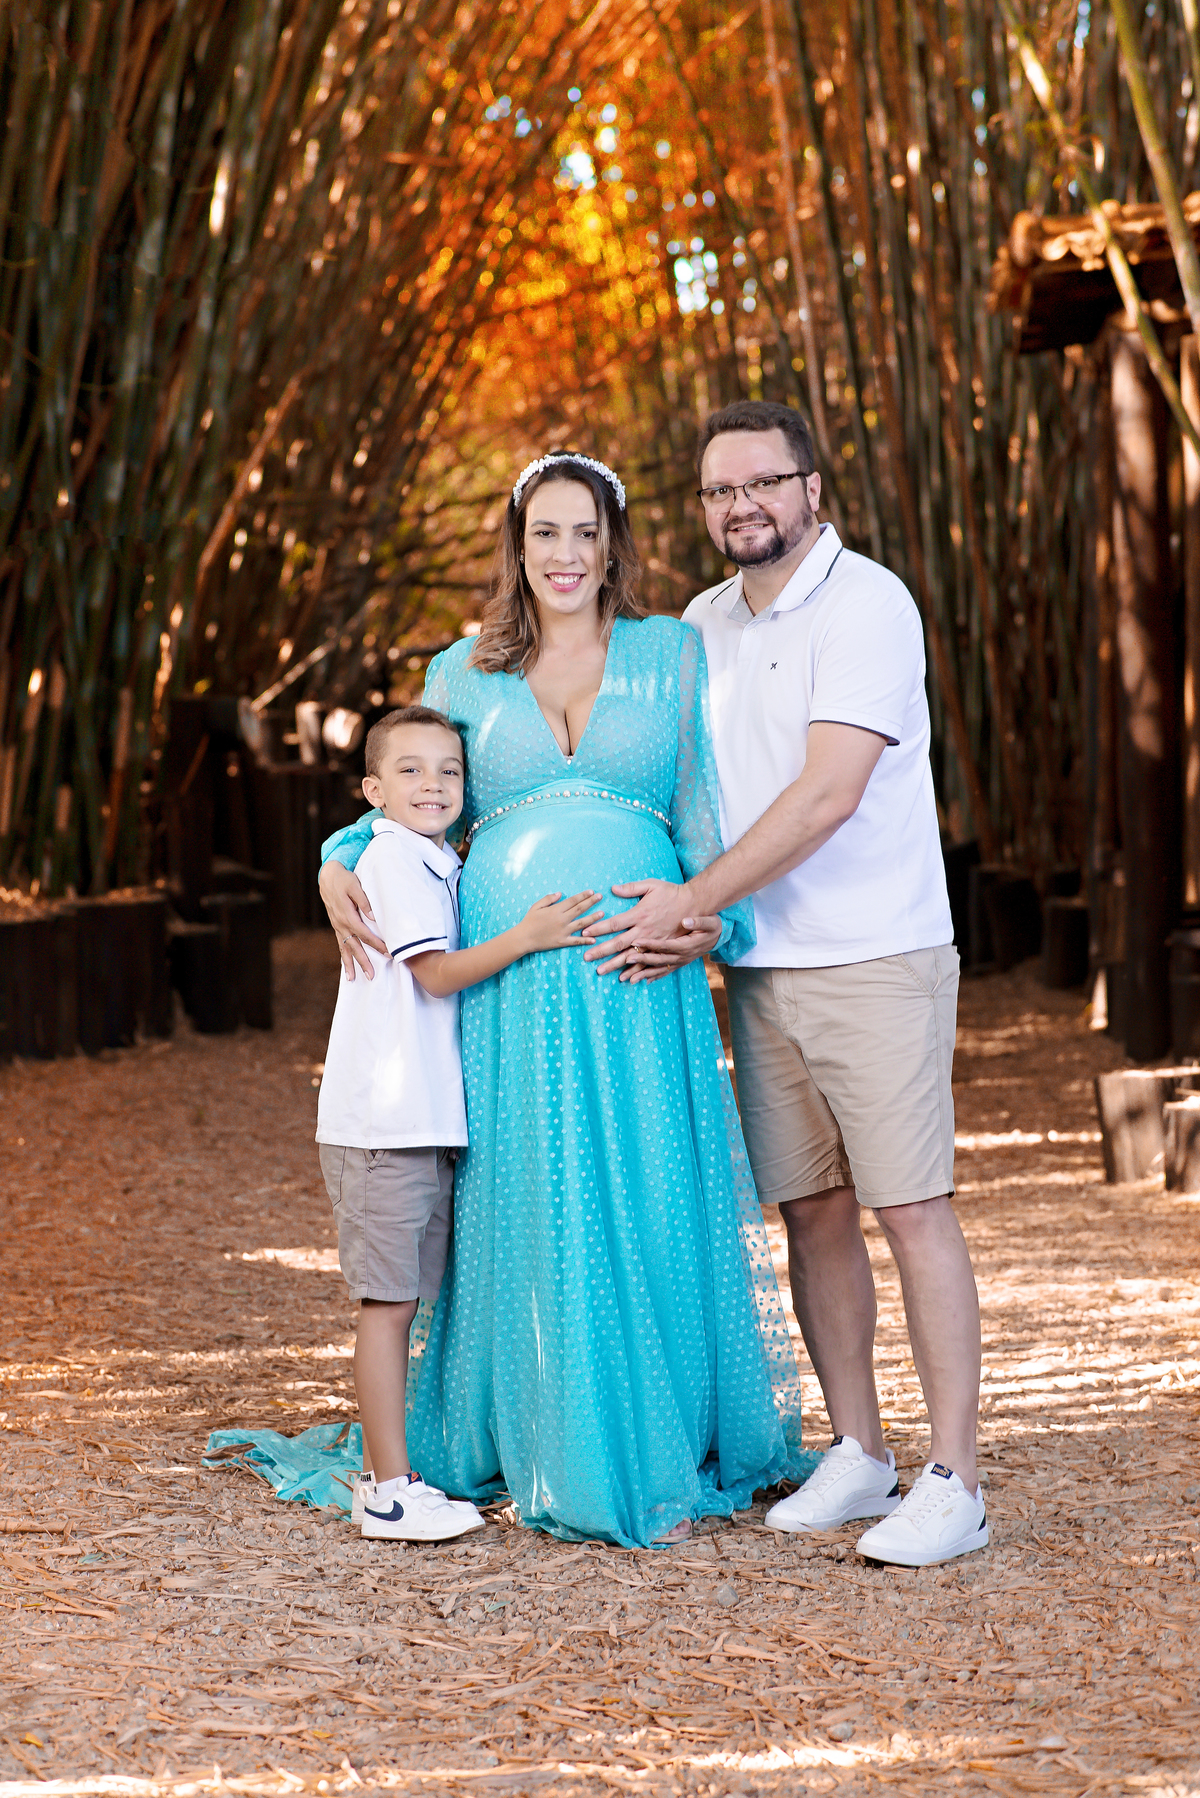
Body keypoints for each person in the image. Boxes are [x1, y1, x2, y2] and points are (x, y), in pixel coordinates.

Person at [318, 451, 814, 1548]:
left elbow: (703, 815)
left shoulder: (669, 650)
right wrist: (335, 856)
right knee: (530, 1190)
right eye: (545, 531)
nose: (566, 554)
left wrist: (713, 924)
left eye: (585, 531)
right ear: (517, 543)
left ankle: (653, 1428)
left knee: (646, 1184)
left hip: (639, 981)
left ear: (612, 541)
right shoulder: (460, 671)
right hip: (511, 994)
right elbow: (408, 802)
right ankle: (539, 1425)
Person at [585, 400, 986, 1569]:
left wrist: (688, 900)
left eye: (764, 481)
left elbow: (826, 793)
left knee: (911, 1207)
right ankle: (859, 1448)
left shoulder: (870, 602)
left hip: (875, 952)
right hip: (763, 960)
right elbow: (671, 782)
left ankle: (957, 1479)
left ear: (812, 487)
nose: (741, 505)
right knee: (810, 1210)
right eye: (720, 490)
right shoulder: (701, 623)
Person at [317, 703, 600, 1541]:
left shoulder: (438, 858)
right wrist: (530, 935)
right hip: (383, 1125)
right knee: (387, 1306)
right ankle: (387, 1492)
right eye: (409, 770)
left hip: (419, 1121)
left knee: (407, 1303)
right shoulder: (394, 860)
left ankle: (399, 1474)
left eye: (449, 770)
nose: (433, 784)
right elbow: (436, 976)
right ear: (373, 791)